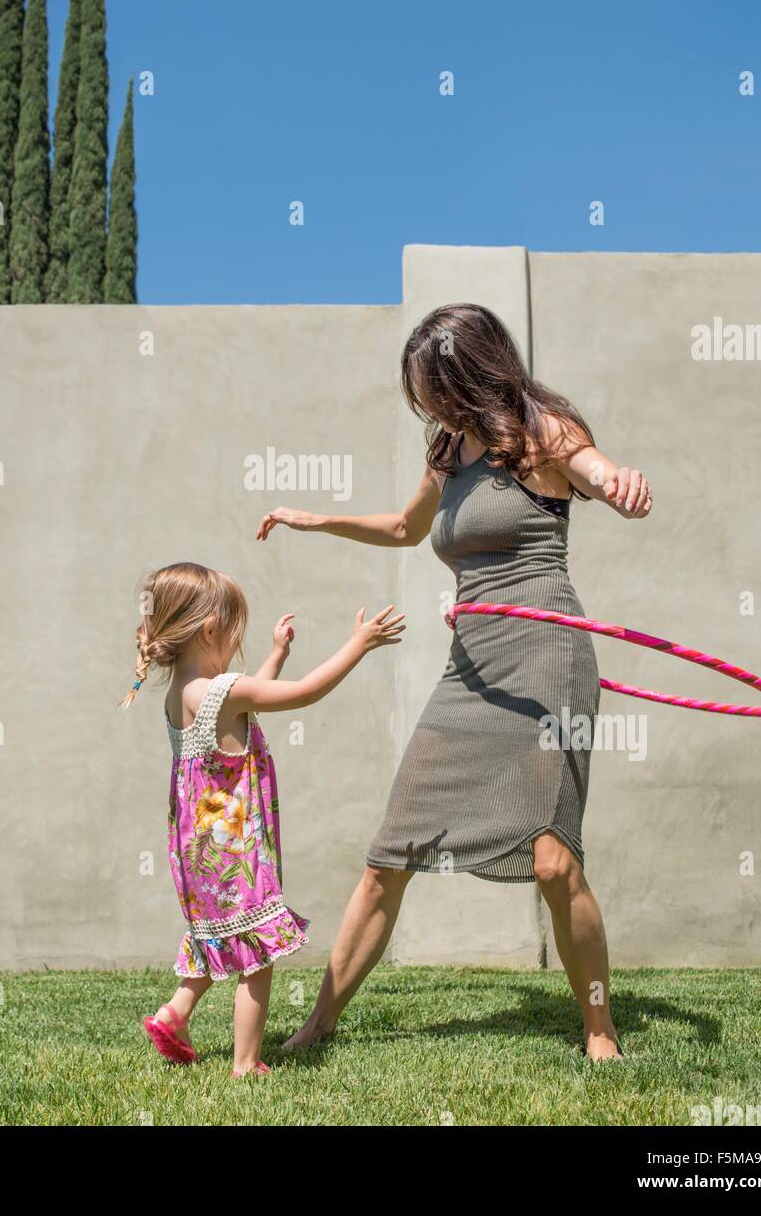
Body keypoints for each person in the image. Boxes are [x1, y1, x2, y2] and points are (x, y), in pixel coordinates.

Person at [255, 303, 653, 1062]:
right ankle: (319, 1024)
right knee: (388, 855)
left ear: (469, 371)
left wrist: (622, 482)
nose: (428, 404)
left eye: (434, 387)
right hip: (469, 664)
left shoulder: (544, 429)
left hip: (546, 656)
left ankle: (599, 1031)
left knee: (552, 859)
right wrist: (315, 519)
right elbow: (405, 529)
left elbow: (598, 476)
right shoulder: (448, 449)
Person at [123, 561, 404, 1076]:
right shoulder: (220, 692)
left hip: (197, 852)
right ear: (210, 629)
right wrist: (358, 645)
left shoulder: (182, 693)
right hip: (236, 853)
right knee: (256, 953)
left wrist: (276, 653)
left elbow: (250, 704)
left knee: (219, 934)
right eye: (236, 629)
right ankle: (247, 1062)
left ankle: (175, 1012)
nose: (238, 640)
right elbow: (304, 693)